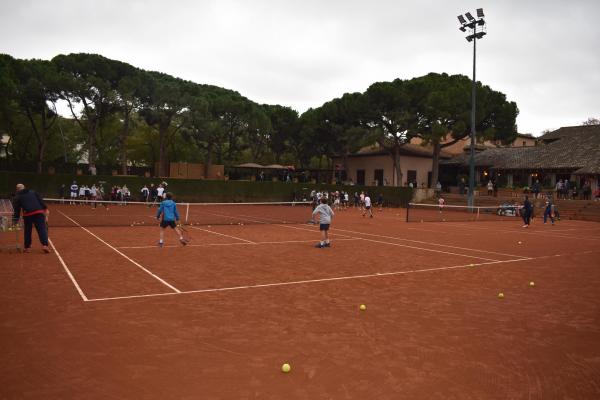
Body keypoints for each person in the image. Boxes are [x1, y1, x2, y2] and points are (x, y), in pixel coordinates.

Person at [12, 184, 50, 253]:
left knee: (27, 231)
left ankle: (27, 248)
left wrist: (15, 220)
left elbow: (17, 210)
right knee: (42, 229)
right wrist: (45, 208)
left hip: (27, 215)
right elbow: (40, 200)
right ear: (24, 188)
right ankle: (45, 245)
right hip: (38, 212)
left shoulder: (17, 197)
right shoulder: (33, 192)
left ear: (17, 190)